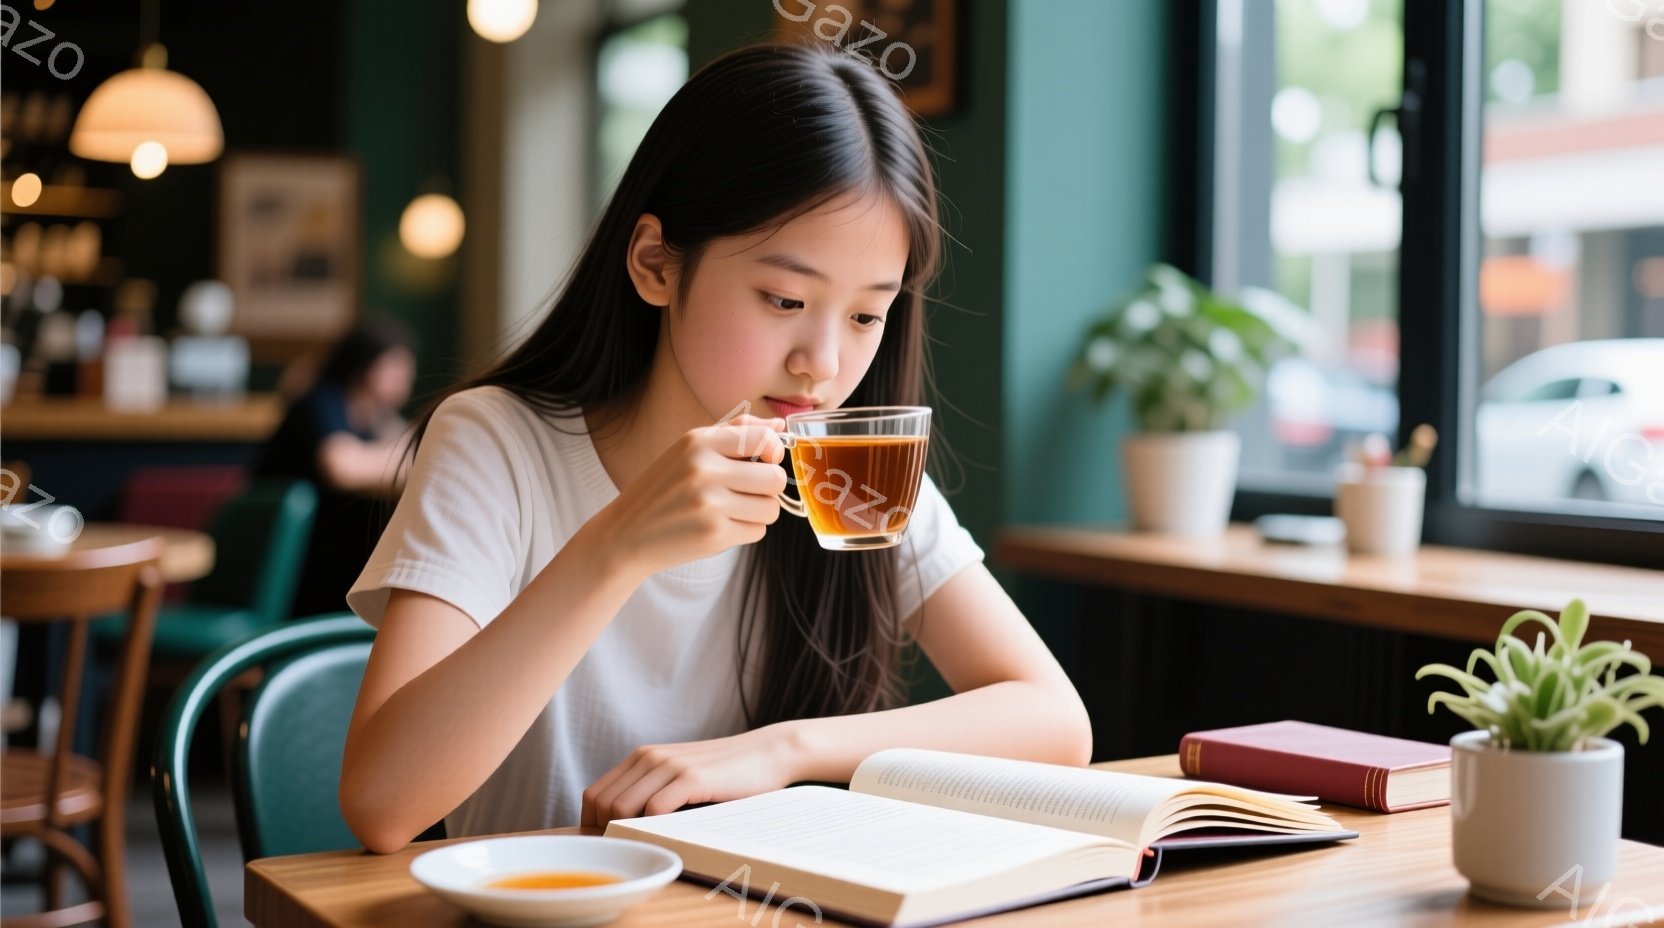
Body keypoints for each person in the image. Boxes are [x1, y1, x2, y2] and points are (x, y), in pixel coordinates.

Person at [338, 42, 1092, 854]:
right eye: (785, 299)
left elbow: (1055, 720)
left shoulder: (845, 466)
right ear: (655, 264)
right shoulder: (498, 442)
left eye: (865, 315)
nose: (822, 363)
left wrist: (781, 751)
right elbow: (382, 804)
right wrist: (618, 546)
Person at [253, 317, 417, 619]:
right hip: (287, 554)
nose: (405, 377)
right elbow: (342, 467)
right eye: (395, 366)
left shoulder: (375, 416)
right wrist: (421, 462)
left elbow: (409, 446)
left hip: (318, 546)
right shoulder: (322, 401)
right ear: (364, 366)